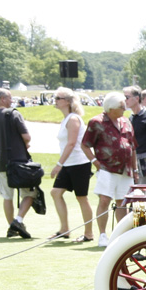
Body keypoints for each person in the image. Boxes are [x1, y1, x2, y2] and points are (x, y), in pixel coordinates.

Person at [80, 92, 137, 247]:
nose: (124, 109)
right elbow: (85, 144)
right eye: (121, 107)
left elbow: (132, 147)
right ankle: (103, 235)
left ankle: (123, 236)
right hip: (107, 168)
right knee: (105, 200)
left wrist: (135, 169)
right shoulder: (96, 122)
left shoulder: (126, 121)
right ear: (111, 108)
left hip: (125, 169)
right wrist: (95, 162)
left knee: (122, 202)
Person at [0, 88, 36, 239]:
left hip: (2, 162)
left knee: (7, 196)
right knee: (30, 193)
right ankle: (18, 220)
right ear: (2, 99)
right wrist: (22, 144)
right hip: (20, 162)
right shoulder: (14, 114)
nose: (11, 100)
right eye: (9, 98)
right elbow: (27, 137)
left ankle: (11, 226)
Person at [49, 87, 95, 242]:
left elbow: (71, 144)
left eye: (58, 98)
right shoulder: (66, 119)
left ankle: (88, 233)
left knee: (81, 197)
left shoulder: (73, 119)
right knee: (56, 192)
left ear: (67, 101)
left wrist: (58, 164)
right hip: (69, 164)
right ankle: (64, 229)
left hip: (79, 163)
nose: (55, 101)